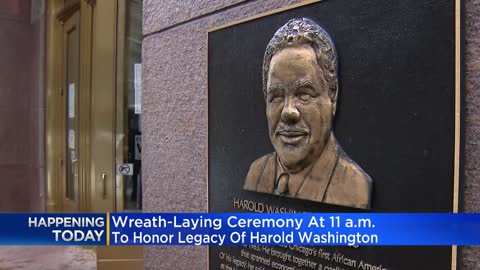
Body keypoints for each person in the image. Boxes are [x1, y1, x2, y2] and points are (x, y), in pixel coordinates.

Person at [243, 18, 372, 209]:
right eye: (276, 96)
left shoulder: (354, 188)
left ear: (332, 97)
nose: (288, 112)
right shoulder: (256, 174)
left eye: (304, 94)